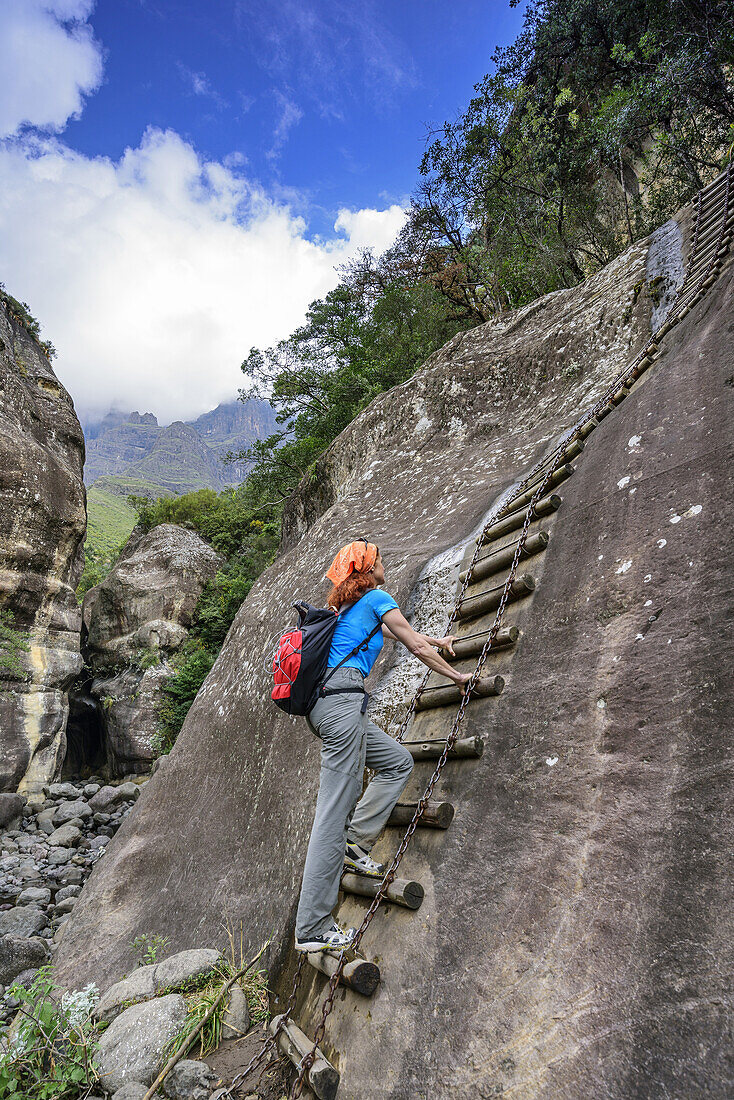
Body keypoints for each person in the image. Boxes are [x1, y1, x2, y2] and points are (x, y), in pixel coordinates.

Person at [294, 538, 472, 953]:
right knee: (331, 813)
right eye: (378, 561)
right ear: (368, 569)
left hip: (330, 707)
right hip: (341, 707)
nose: (383, 565)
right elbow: (412, 643)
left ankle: (355, 845)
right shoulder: (376, 596)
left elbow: (400, 630)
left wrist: (437, 640)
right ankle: (313, 926)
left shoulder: (350, 607)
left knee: (396, 761)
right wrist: (456, 676)